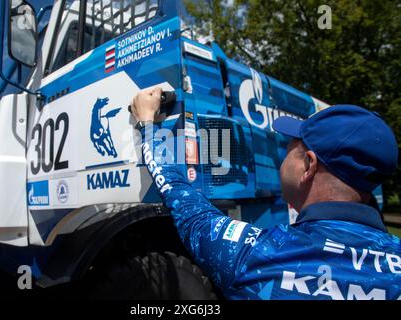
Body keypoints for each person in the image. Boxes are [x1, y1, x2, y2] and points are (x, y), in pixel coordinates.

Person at [130, 87, 401, 300]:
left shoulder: (260, 256)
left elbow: (184, 201)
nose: (282, 158)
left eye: (289, 148)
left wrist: (147, 124)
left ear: (308, 165)